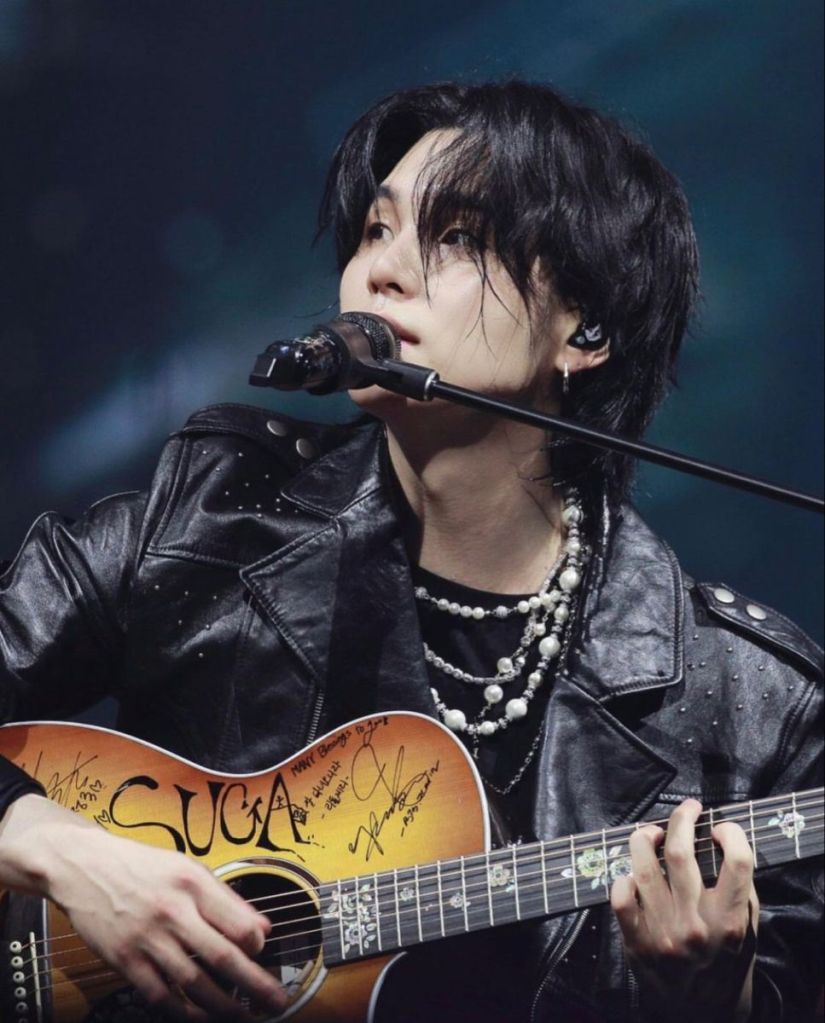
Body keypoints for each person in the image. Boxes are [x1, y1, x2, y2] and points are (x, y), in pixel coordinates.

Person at [0, 80, 822, 1022]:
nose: (380, 272)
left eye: (459, 237)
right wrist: (62, 851)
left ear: (585, 329)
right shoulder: (207, 516)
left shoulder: (753, 705)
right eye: (375, 230)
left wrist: (707, 994)